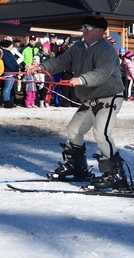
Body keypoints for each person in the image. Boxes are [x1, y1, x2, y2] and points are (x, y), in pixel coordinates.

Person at [27, 16, 127, 190]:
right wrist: (42, 67)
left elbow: (102, 72)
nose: (85, 30)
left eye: (89, 27)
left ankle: (115, 174)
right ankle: (77, 167)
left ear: (100, 32)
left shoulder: (107, 50)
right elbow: (61, 62)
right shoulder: (78, 47)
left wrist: (81, 80)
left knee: (102, 133)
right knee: (73, 130)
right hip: (89, 99)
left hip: (109, 97)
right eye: (84, 27)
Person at [0, 39, 19, 108]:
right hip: (8, 72)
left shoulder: (9, 52)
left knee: (9, 87)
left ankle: (8, 100)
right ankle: (6, 101)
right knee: (7, 87)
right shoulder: (4, 53)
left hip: (12, 72)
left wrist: (17, 68)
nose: (12, 46)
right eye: (11, 45)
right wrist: (14, 69)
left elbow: (14, 62)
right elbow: (7, 63)